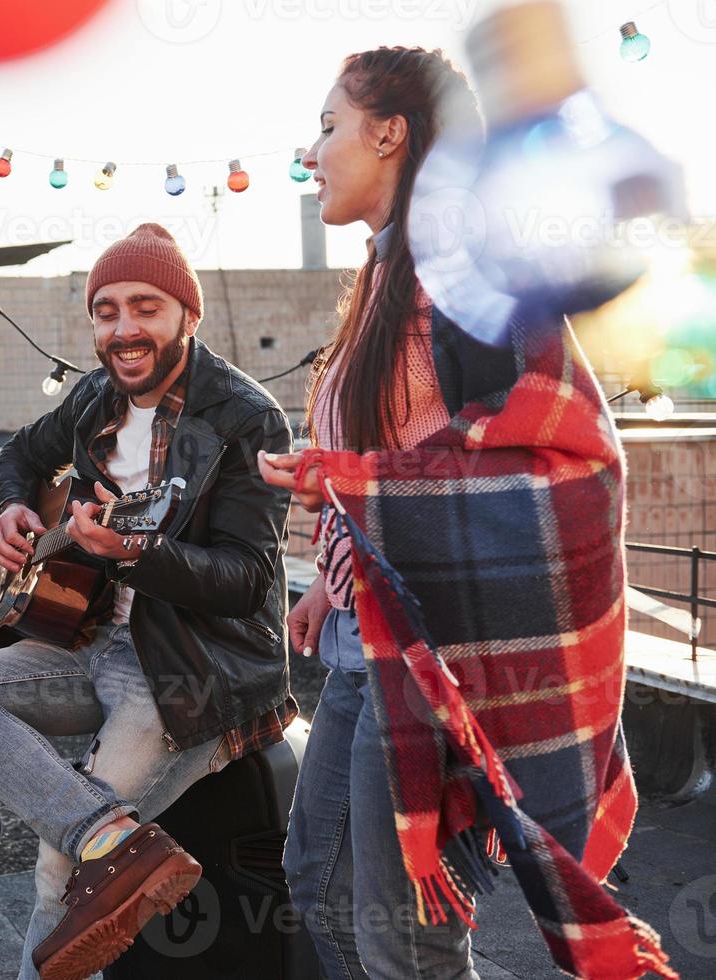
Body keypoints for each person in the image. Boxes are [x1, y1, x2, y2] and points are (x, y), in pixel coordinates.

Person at [260, 46, 673, 980]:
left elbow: (548, 462)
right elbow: (401, 451)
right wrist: (331, 583)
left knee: (404, 936)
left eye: (327, 127)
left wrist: (350, 482)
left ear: (390, 133)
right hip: (363, 638)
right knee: (317, 881)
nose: (307, 151)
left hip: (425, 657)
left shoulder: (461, 272)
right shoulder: (383, 278)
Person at [0, 222, 296, 980]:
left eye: (145, 306)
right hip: (84, 641)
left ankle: (92, 846)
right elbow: (21, 453)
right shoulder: (92, 398)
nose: (123, 328)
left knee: (61, 861)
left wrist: (138, 553)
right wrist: (12, 505)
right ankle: (113, 841)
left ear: (187, 313)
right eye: (106, 310)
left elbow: (246, 580)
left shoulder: (243, 417)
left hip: (191, 670)